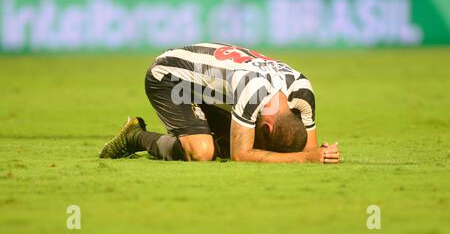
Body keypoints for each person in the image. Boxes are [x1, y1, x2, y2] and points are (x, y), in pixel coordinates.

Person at [100, 43, 340, 164]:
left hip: (208, 88)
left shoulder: (302, 90)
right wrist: (302, 159)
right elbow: (241, 155)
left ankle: (195, 130)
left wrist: (323, 154)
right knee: (202, 152)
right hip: (170, 79)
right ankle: (135, 136)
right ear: (267, 127)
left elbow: (309, 148)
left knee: (234, 142)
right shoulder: (253, 90)